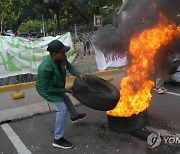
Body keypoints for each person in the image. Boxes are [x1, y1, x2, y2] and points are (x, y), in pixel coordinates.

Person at [36, 40, 87, 149]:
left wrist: (79, 74)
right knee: (62, 108)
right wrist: (64, 90)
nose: (65, 54)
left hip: (56, 86)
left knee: (66, 98)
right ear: (54, 54)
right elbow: (48, 89)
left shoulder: (62, 59)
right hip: (46, 90)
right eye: (62, 53)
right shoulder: (45, 68)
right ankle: (58, 139)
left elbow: (70, 67)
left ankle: (74, 116)